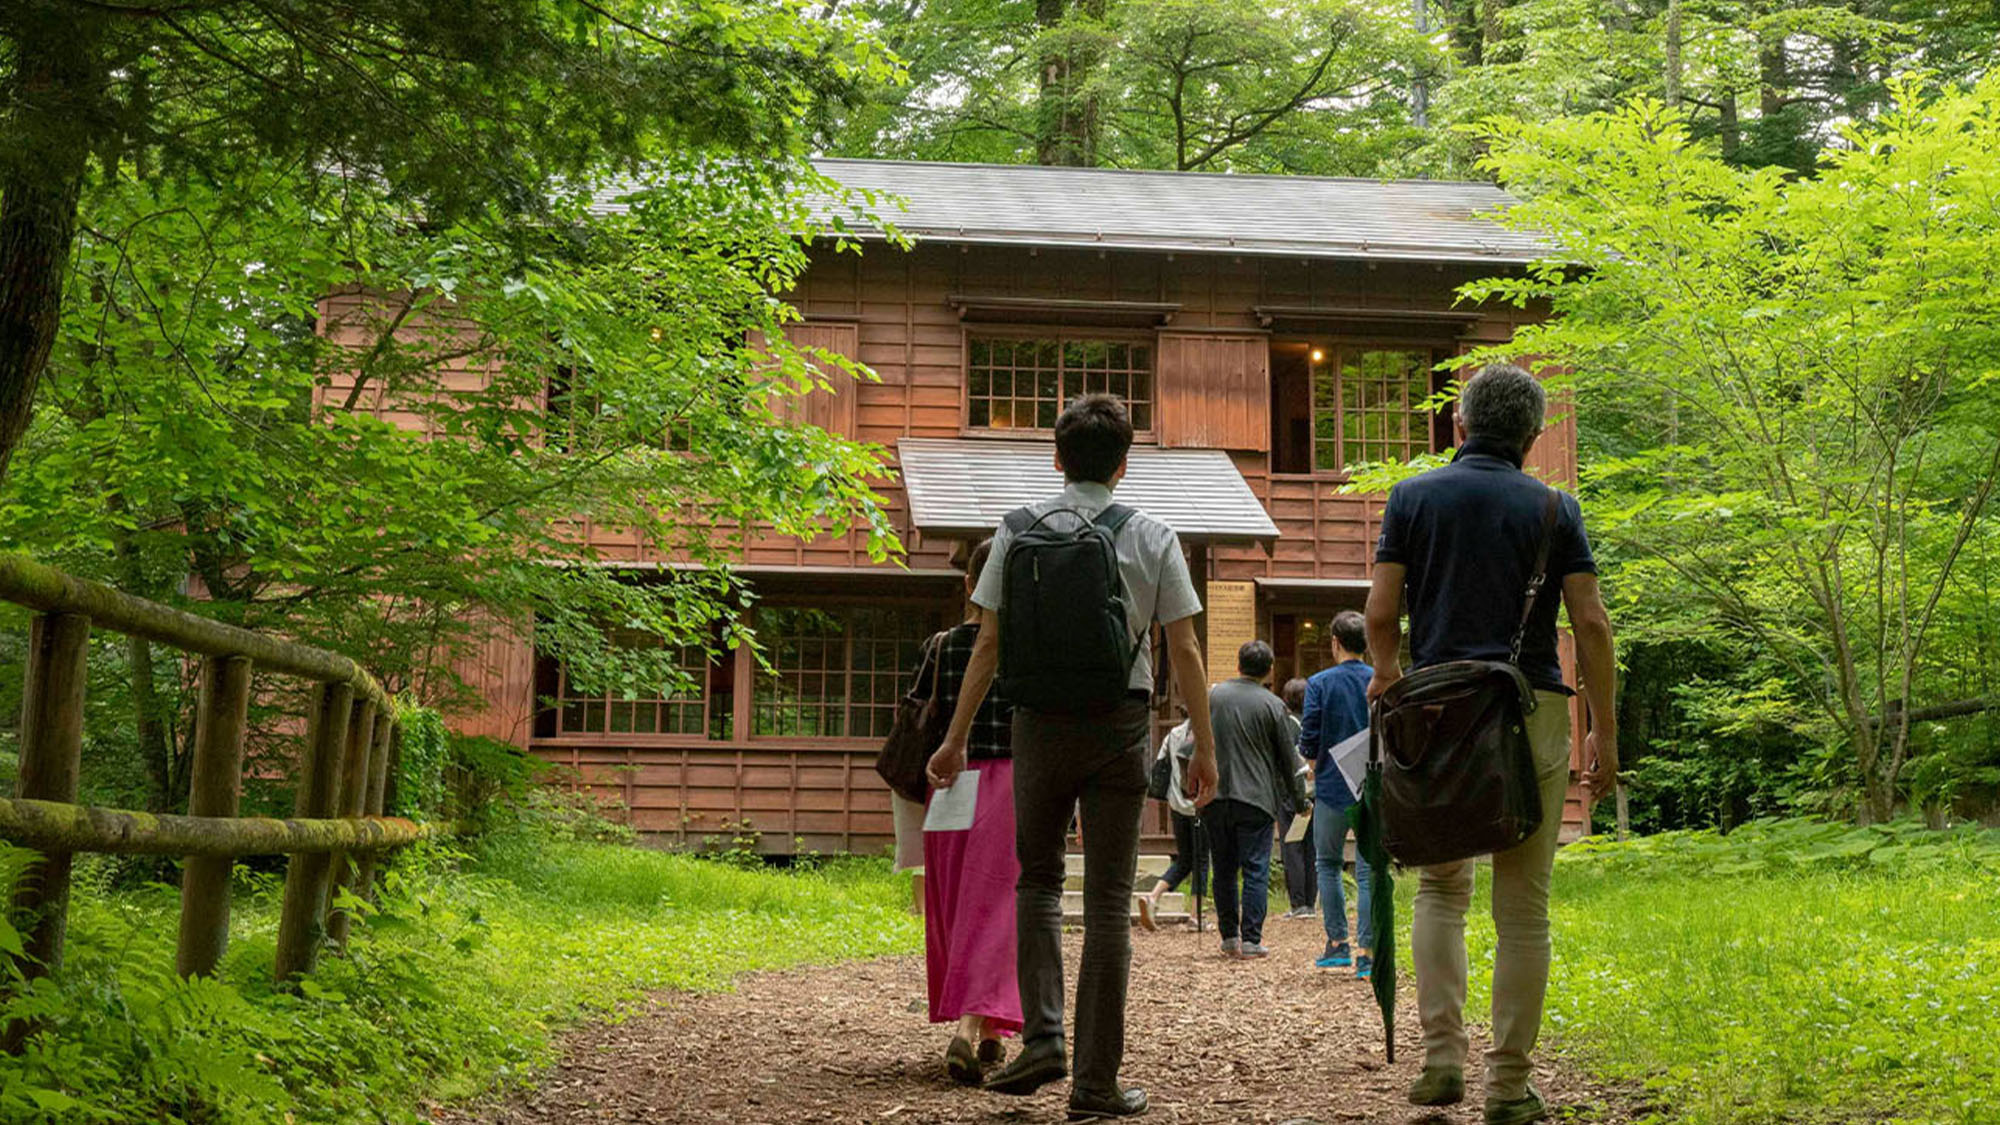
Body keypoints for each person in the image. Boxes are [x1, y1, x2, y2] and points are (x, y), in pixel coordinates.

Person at [927, 393, 1219, 1121]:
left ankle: (1044, 1035)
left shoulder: (1018, 530)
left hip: (1037, 724)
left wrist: (956, 736)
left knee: (1037, 882)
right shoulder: (1153, 534)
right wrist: (1203, 748)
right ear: (1125, 464)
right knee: (1111, 904)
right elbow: (1183, 647)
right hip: (1120, 722)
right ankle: (1095, 1083)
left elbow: (988, 643)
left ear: (1056, 458)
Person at [1364, 363, 1618, 1125]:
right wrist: (1602, 724)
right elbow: (1592, 623)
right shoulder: (1553, 507)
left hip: (1439, 711)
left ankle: (1442, 1058)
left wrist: (1387, 674)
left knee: (1441, 886)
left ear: (1461, 425)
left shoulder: (1412, 497)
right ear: (1532, 437)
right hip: (1530, 707)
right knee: (1524, 906)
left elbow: (1379, 610)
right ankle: (1508, 1084)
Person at [918, 539, 1022, 1085]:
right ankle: (969, 1027)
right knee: (997, 912)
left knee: (957, 909)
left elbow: (917, 718)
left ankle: (984, 1033)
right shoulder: (1026, 649)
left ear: (969, 585)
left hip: (949, 785)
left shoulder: (940, 646)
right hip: (1009, 782)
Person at [1200, 640, 1305, 961]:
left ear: (1238, 664)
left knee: (1224, 868)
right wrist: (1299, 799)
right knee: (1256, 867)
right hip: (1256, 797)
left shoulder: (1213, 696)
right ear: (1270, 669)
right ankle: (1251, 939)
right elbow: (1289, 759)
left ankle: (1229, 936)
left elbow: (1195, 741)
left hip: (1215, 794)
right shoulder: (1272, 705)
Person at [1296, 611, 1375, 976]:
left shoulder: (1320, 683)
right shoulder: (1380, 680)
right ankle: (1369, 953)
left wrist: (1312, 757)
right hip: (1372, 785)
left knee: (1326, 863)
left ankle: (1338, 944)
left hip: (1330, 785)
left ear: (1335, 643)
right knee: (1368, 868)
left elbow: (1309, 735)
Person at [1139, 714, 1206, 933]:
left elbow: (1162, 764)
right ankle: (1196, 916)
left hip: (1177, 806)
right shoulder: (1204, 734)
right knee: (1201, 860)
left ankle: (1152, 897)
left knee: (1185, 859)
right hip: (1200, 805)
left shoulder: (1173, 734)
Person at [1274, 677, 1316, 921]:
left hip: (1291, 792)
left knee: (1292, 847)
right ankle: (1310, 903)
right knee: (1312, 847)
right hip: (1315, 791)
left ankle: (1298, 902)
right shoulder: (1312, 723)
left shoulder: (1286, 724)